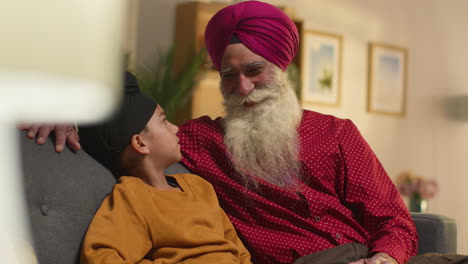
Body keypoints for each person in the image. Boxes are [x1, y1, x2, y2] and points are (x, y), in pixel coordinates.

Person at [21, 2, 468, 264]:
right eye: (228, 76)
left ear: (283, 66)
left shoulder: (338, 134)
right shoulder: (200, 143)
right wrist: (66, 102)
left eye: (255, 71)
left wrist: (384, 259)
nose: (242, 88)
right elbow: (131, 130)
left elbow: (394, 220)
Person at [78, 72, 251, 264]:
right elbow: (100, 256)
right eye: (163, 120)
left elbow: (239, 251)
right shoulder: (132, 197)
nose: (176, 128)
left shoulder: (200, 186)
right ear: (140, 143)